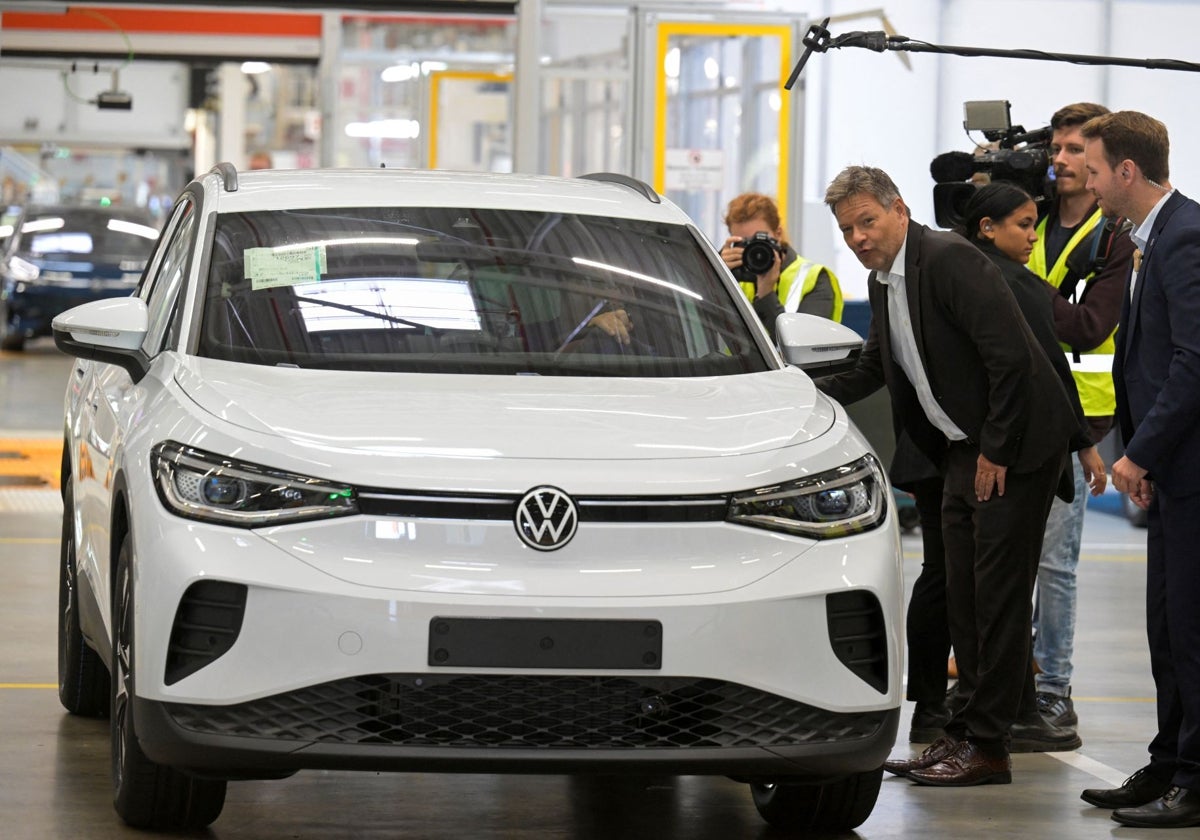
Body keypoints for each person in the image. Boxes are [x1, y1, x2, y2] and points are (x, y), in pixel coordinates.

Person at [816, 165, 1082, 787]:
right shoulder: (884, 280)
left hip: (1014, 445)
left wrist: (998, 451)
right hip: (963, 449)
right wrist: (793, 390)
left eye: (867, 221)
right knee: (961, 594)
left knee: (997, 599)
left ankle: (991, 748)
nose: (857, 237)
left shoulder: (948, 259)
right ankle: (962, 733)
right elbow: (874, 366)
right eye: (847, 228)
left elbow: (1010, 358)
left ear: (899, 211)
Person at [1077, 111, 1200, 829]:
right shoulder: (1144, 239)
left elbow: (1193, 360)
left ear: (1126, 171)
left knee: (1189, 630)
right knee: (1165, 628)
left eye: (1094, 171)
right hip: (1170, 471)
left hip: (1186, 470)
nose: (1087, 184)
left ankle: (1196, 776)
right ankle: (1167, 763)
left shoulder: (1184, 238)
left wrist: (1139, 451)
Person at [1028, 103, 1135, 729]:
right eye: (1057, 150)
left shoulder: (1115, 236)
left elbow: (1092, 326)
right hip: (1018, 405)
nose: (1063, 161)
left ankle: (1055, 690)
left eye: (1075, 151)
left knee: (1055, 562)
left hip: (1082, 417)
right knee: (1012, 559)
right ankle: (1021, 674)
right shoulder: (1030, 215)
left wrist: (1016, 285)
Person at [719, 192, 843, 338]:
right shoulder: (731, 275)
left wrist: (766, 294)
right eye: (744, 243)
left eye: (759, 240)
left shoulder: (814, 279)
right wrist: (715, 271)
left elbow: (803, 346)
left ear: (778, 233)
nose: (753, 250)